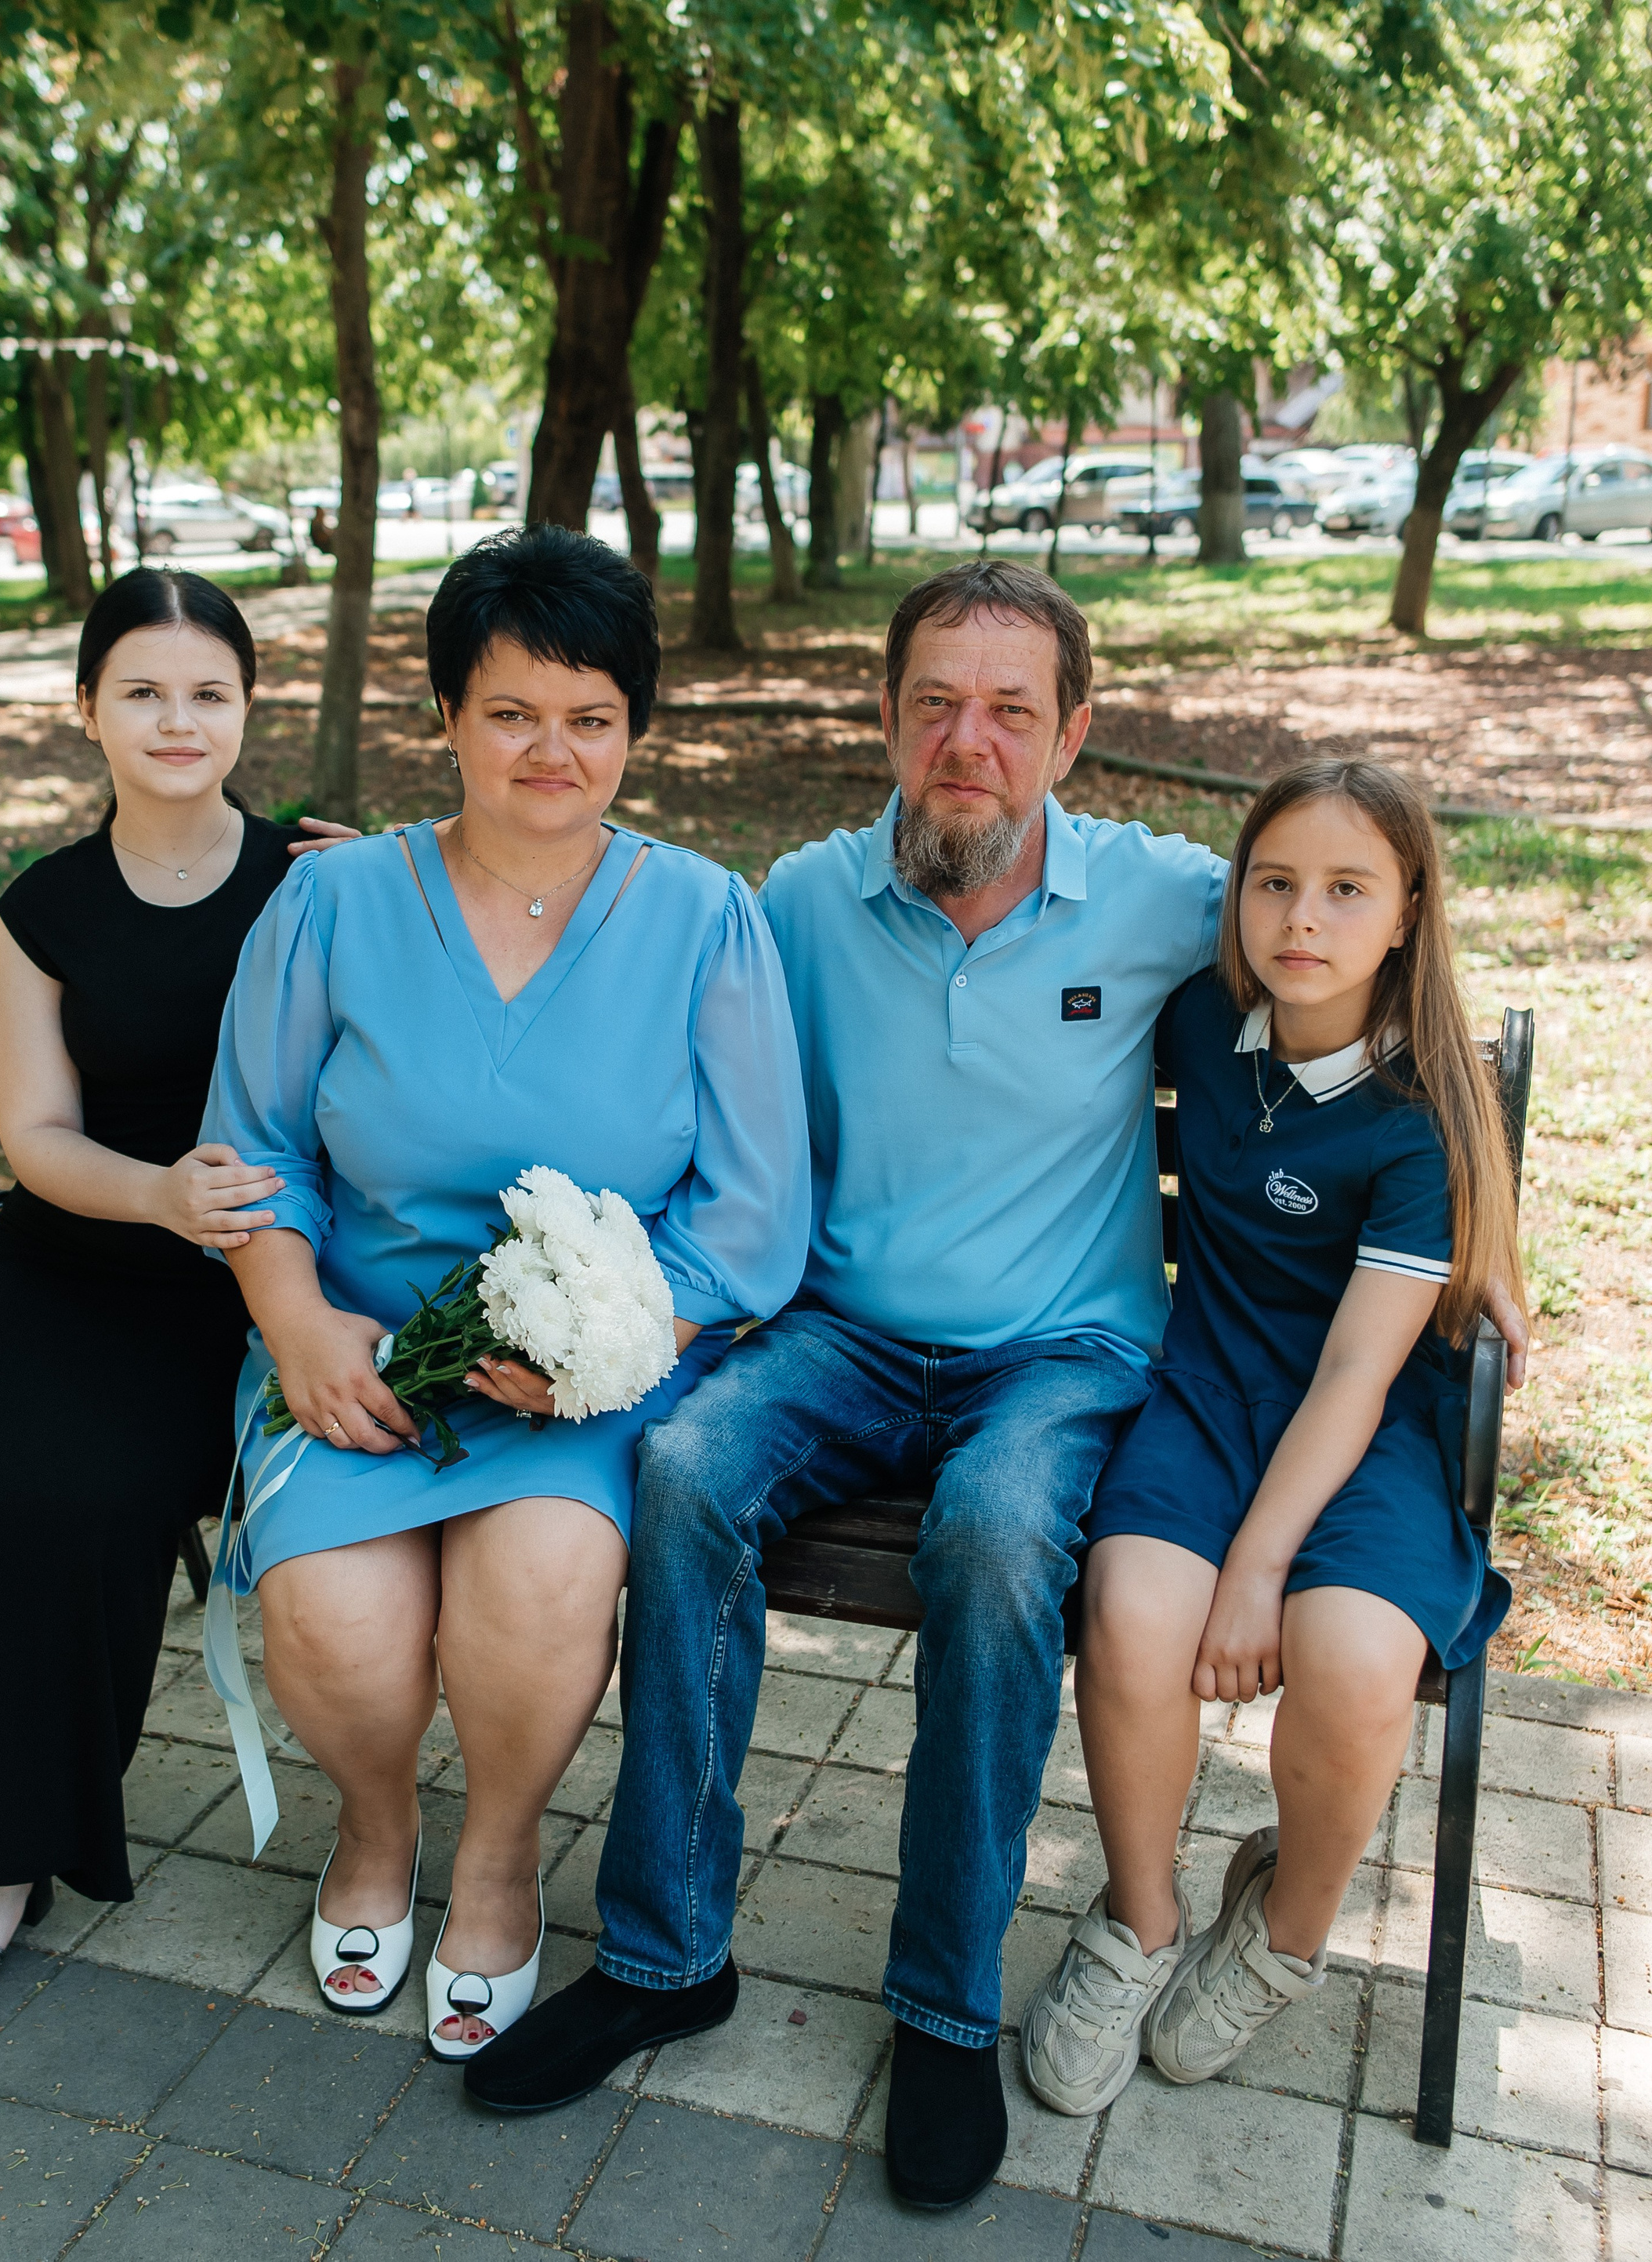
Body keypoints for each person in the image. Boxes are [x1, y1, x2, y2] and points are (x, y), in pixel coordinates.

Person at [463, 559, 1532, 2204]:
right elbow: (617, 947)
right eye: (935, 705)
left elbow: (1381, 968)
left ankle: (943, 2006)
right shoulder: (802, 904)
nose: (971, 742)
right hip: (839, 1335)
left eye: (1011, 712)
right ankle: (666, 1957)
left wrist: (1493, 1236)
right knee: (679, 1474)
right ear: (886, 721)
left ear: (1073, 732)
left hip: (1063, 1355)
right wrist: (410, 881)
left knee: (989, 1535)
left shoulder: (1172, 897)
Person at [198, 523, 810, 2064]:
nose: (553, 749)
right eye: (513, 712)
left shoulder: (703, 920)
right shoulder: (333, 908)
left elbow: (749, 1212)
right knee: (335, 1623)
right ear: (449, 721)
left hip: (582, 1382)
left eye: (591, 717)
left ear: (633, 733)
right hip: (355, 1352)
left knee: (535, 1586)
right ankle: (381, 1831)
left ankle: (494, 1859)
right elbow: (251, 1148)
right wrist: (290, 1317)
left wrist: (613, 1345)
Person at [0, 568, 300, 2032]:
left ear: (246, 708)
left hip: (221, 1286)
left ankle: (8, 1858)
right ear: (87, 709)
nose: (177, 718)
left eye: (209, 690)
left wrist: (210, 1228)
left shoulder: (311, 883)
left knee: (77, 1502)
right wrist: (155, 1192)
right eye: (141, 689)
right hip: (72, 1239)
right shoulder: (43, 909)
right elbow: (38, 1134)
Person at [1020, 759, 1522, 2116]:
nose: (1303, 917)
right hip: (1203, 1392)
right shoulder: (1199, 1023)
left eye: (1347, 889)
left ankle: (1285, 1932)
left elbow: (1360, 1375)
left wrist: (1257, 1569)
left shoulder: (1418, 1122)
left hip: (1367, 1436)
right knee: (1129, 1615)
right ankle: (1140, 1920)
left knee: (1352, 1659)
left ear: (1410, 909)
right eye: (1275, 882)